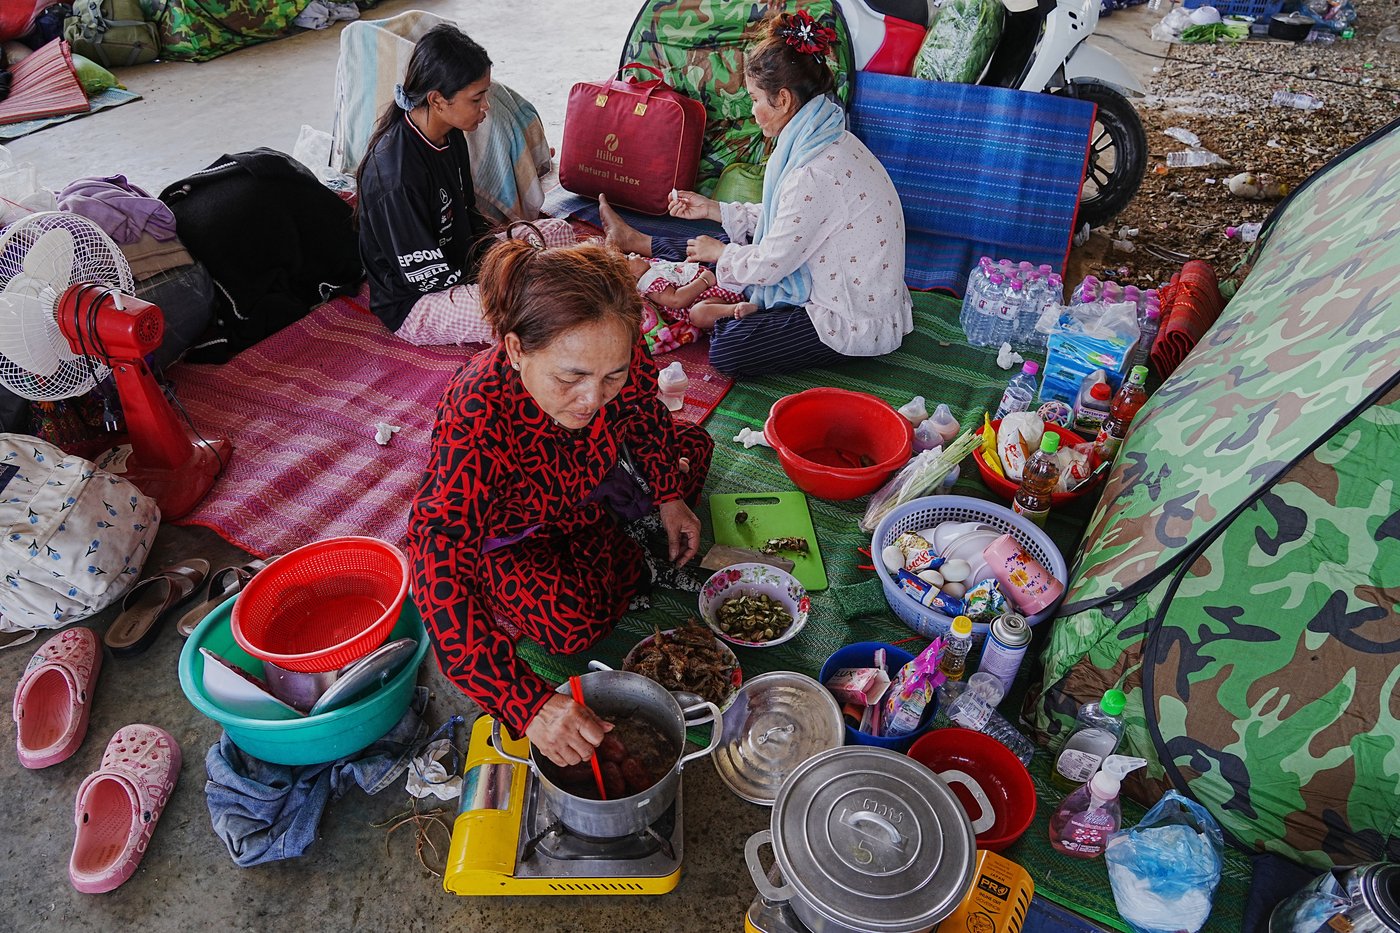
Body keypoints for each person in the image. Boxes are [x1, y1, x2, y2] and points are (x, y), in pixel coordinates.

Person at [407, 240, 713, 768]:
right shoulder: (475, 416)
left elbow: (641, 413)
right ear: (516, 350)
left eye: (610, 376)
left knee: (691, 456)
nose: (594, 401)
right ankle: (627, 550)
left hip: (590, 490)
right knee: (569, 625)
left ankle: (631, 539)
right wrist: (528, 705)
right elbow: (437, 555)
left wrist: (667, 496)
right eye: (570, 377)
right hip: (518, 533)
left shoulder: (614, 350)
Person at [601, 11, 913, 377]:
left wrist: (723, 255)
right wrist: (713, 208)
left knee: (729, 350)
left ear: (782, 100)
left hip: (849, 317)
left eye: (754, 100)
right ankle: (640, 241)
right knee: (720, 240)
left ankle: (727, 295)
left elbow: (772, 261)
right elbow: (786, 219)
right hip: (828, 276)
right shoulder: (829, 137)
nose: (753, 112)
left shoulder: (812, 170)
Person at [355, 24, 576, 346]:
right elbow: (427, 277)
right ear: (438, 100)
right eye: (477, 98)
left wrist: (510, 256)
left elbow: (467, 214)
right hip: (419, 301)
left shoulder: (450, 133)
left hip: (465, 260)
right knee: (531, 304)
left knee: (557, 232)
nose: (486, 106)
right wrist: (511, 273)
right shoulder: (396, 176)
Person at [622, 251, 754, 354]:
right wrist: (704, 281)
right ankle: (736, 309)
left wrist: (687, 263)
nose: (632, 254)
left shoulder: (651, 264)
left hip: (716, 282)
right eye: (628, 258)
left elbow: (674, 273)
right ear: (630, 277)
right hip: (707, 298)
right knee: (698, 314)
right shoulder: (649, 284)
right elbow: (677, 300)